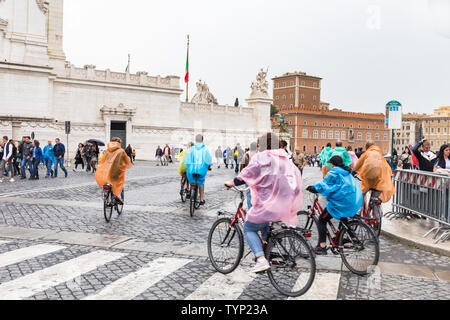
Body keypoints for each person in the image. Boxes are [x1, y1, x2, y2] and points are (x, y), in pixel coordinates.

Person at [224, 132, 302, 273]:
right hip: (284, 204)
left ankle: (260, 259)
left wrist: (231, 182)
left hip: (268, 204)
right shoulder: (284, 158)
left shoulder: (261, 157)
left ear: (263, 145)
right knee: (264, 224)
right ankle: (268, 249)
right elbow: (295, 177)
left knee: (249, 228)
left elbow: (246, 174)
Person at [306, 155, 363, 255]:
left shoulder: (334, 172)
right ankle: (352, 238)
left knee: (322, 220)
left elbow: (324, 184)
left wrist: (313, 188)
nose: (330, 165)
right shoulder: (346, 172)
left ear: (333, 164)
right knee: (342, 215)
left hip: (341, 202)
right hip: (351, 200)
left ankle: (322, 246)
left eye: (330, 163)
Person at [95, 137, 133, 204]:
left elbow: (101, 160)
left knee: (107, 182)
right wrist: (129, 162)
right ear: (119, 143)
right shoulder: (121, 151)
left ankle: (107, 197)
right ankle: (115, 196)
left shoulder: (107, 150)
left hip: (107, 170)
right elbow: (127, 162)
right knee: (118, 183)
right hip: (116, 172)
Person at [183, 135, 213, 205]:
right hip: (201, 170)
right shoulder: (205, 149)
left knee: (191, 180)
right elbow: (208, 160)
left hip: (191, 170)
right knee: (201, 183)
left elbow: (187, 159)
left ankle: (191, 192)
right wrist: (209, 167)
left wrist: (188, 165)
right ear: (202, 140)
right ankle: (201, 199)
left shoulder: (192, 149)